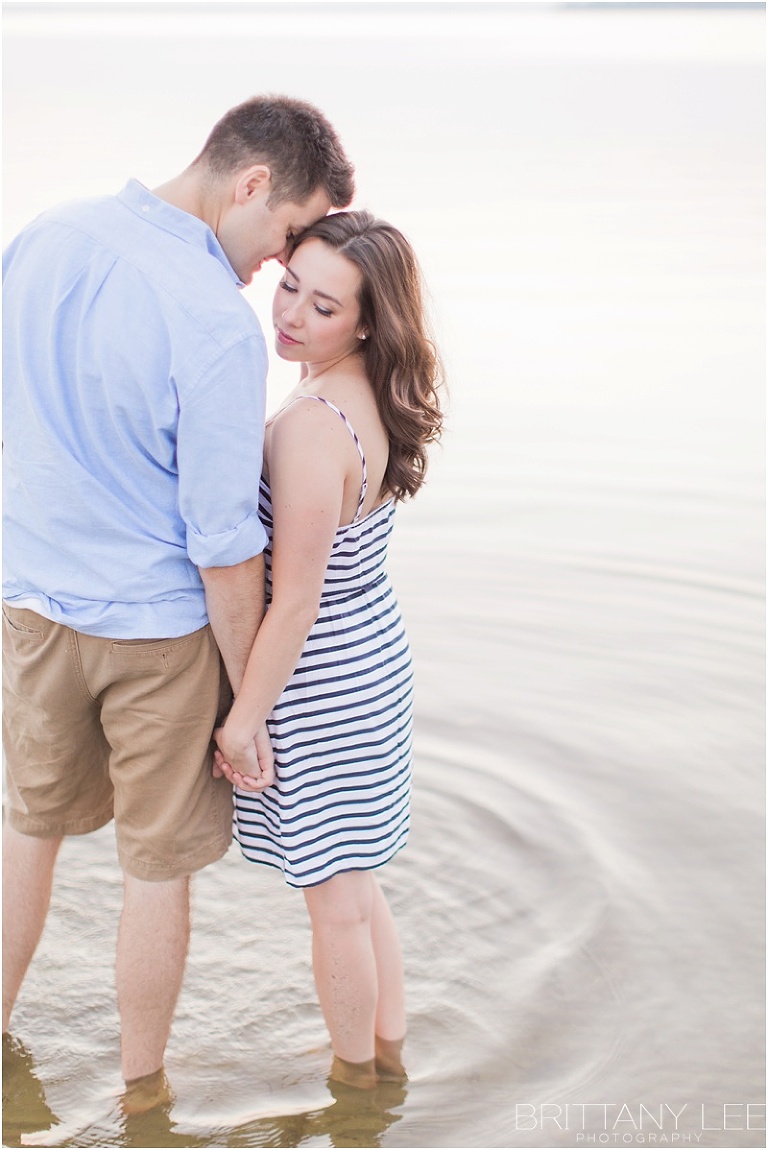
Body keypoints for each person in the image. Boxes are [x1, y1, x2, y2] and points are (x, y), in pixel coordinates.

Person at [1, 94, 354, 1111]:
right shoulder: (214, 323)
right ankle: (143, 1099)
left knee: (26, 835)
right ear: (251, 185)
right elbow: (224, 548)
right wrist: (253, 705)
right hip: (156, 638)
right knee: (156, 872)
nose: (272, 271)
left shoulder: (42, 236)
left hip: (31, 610)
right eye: (285, 235)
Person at [213, 210, 443, 1090]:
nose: (293, 316)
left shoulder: (313, 424)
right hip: (370, 660)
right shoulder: (366, 393)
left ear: (368, 321)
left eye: (324, 306)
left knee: (336, 905)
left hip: (322, 682)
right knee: (357, 882)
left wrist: (244, 722)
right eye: (290, 288)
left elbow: (296, 598)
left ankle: (355, 1092)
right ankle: (386, 1058)